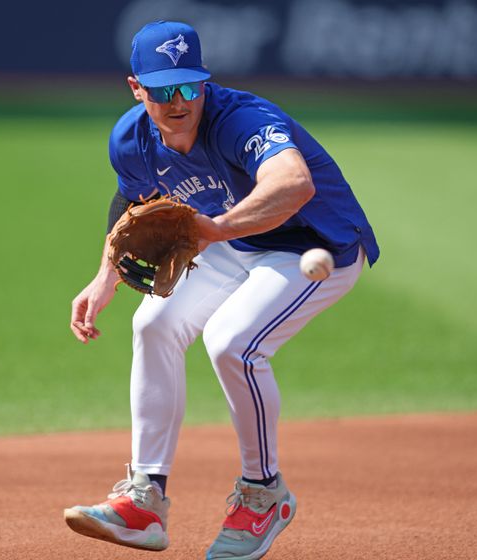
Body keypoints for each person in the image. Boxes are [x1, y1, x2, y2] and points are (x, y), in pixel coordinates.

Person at [65, 20, 379, 560]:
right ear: (136, 88)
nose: (179, 99)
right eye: (163, 88)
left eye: (189, 85)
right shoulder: (132, 138)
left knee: (233, 342)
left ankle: (264, 494)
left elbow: (293, 183)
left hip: (313, 245)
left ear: (204, 83)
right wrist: (105, 276)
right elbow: (131, 206)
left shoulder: (241, 120)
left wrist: (215, 230)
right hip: (234, 240)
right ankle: (144, 501)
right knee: (154, 323)